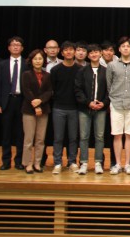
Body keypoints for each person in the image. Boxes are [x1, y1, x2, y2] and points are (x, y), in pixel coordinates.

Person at [106, 36, 130, 175]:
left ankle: (127, 164)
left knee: (129, 135)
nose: (126, 48)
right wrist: (112, 99)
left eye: (128, 46)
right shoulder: (112, 65)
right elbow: (109, 85)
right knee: (117, 135)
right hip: (116, 104)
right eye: (123, 46)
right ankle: (117, 164)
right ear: (119, 49)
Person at [75, 44, 109, 175]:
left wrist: (103, 103)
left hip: (101, 109)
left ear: (100, 53)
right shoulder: (82, 71)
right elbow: (78, 90)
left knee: (99, 136)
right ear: (88, 55)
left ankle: (98, 162)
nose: (94, 54)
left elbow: (110, 90)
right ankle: (83, 162)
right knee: (84, 136)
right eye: (91, 53)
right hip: (85, 108)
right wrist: (88, 103)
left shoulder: (106, 71)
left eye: (96, 52)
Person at [0, 36, 27, 171]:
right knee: (6, 134)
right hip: (6, 101)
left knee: (20, 134)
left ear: (22, 48)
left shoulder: (27, 63)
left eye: (18, 45)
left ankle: (19, 161)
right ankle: (6, 161)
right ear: (8, 48)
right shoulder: (2, 64)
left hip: (22, 101)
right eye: (13, 45)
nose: (15, 47)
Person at [49, 41, 81, 174]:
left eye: (71, 49)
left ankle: (72, 161)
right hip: (59, 108)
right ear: (61, 53)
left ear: (74, 52)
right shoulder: (55, 70)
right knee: (58, 137)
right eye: (66, 50)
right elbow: (51, 89)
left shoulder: (80, 69)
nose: (68, 52)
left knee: (73, 137)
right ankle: (57, 162)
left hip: (75, 108)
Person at [21, 49, 52, 174]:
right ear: (31, 61)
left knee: (40, 139)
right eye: (35, 59)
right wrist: (35, 104)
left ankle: (37, 163)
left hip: (44, 109)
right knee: (28, 139)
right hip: (29, 109)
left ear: (43, 61)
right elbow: (26, 90)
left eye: (40, 59)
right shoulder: (26, 74)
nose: (38, 61)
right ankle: (27, 163)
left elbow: (49, 91)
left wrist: (40, 101)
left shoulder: (47, 75)